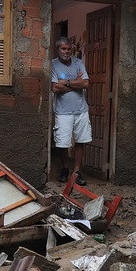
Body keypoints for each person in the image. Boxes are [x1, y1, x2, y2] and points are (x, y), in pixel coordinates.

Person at [51, 36, 90, 185]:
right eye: (63, 48)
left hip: (81, 110)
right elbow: (55, 87)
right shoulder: (53, 65)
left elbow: (85, 83)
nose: (66, 51)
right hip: (62, 111)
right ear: (58, 49)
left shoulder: (79, 63)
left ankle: (76, 171)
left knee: (81, 140)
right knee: (63, 143)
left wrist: (65, 82)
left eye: (68, 49)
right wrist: (76, 82)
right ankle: (64, 169)